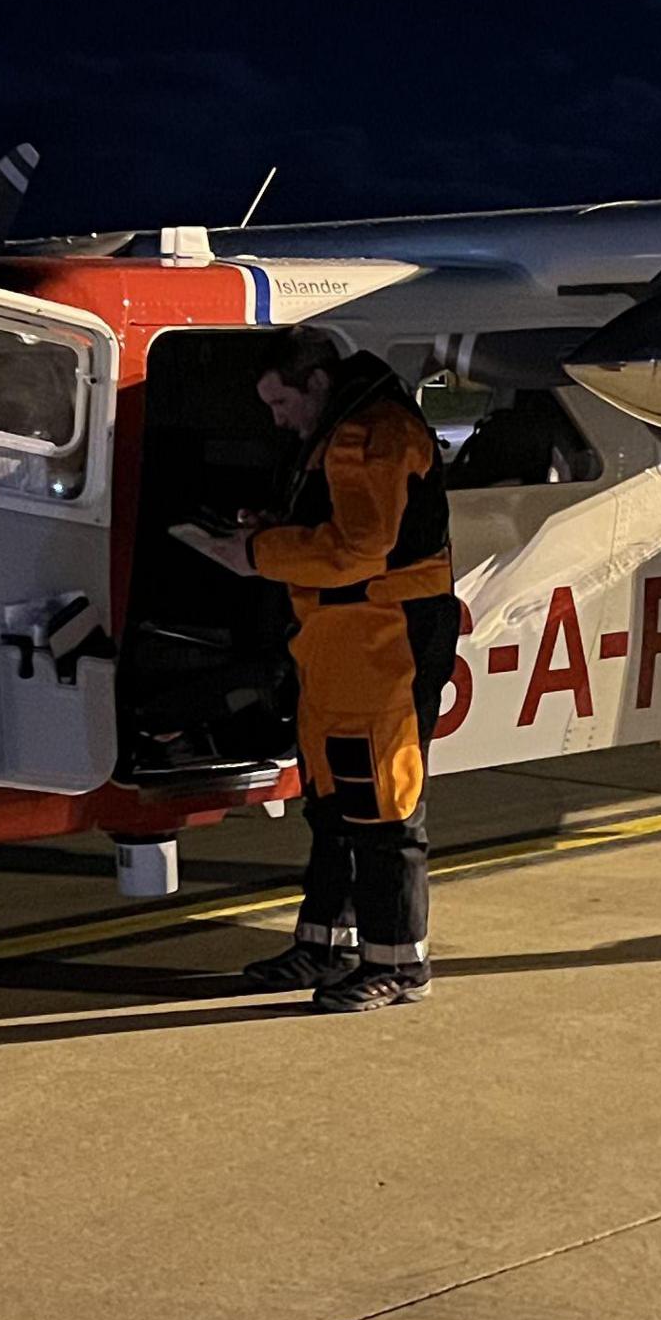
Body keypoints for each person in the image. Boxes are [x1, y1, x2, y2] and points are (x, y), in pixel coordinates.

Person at [197, 336, 460, 1012]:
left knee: (382, 802)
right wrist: (281, 528)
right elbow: (345, 531)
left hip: (382, 639)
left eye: (282, 401)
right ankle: (327, 945)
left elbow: (357, 549)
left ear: (315, 381)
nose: (278, 419)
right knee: (335, 799)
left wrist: (257, 551)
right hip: (340, 638)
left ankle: (398, 963)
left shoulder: (370, 435)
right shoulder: (345, 429)